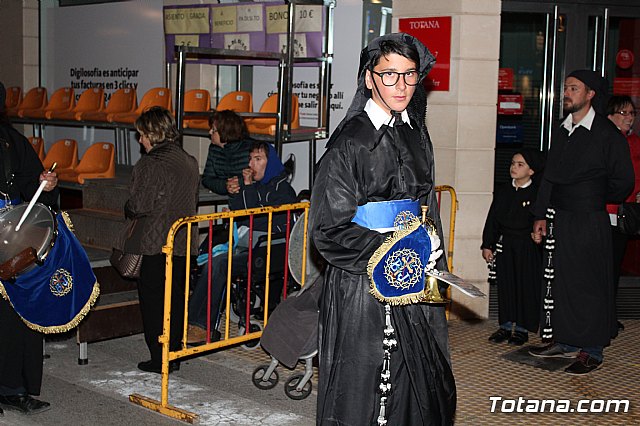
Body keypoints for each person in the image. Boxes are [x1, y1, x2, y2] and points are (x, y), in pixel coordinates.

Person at [309, 34, 456, 425]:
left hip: (414, 277)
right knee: (365, 383)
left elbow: (428, 206)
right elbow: (328, 229)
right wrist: (394, 252)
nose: (402, 86)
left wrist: (432, 252)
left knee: (416, 381)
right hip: (362, 285)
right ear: (370, 78)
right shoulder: (349, 142)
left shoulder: (416, 132)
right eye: (390, 75)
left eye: (410, 75)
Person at [529, 70, 634, 375]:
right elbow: (549, 176)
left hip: (589, 218)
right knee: (561, 280)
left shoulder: (606, 134)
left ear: (590, 95)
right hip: (560, 217)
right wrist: (539, 215)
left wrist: (592, 195)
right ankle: (564, 339)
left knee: (589, 283)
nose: (567, 93)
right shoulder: (562, 130)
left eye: (574, 88)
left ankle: (591, 348)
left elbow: (624, 181)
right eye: (566, 88)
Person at [187, 141, 296, 344]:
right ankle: (193, 321)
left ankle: (203, 326)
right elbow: (242, 213)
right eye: (250, 159)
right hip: (247, 246)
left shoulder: (284, 191)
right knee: (209, 255)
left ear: (270, 163)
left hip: (268, 251)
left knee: (220, 263)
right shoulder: (253, 186)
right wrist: (237, 196)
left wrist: (247, 190)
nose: (251, 165)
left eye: (258, 159)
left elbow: (259, 219)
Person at [124, 106, 199, 374]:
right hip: (183, 241)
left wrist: (128, 207)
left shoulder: (150, 163)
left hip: (156, 243)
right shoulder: (188, 159)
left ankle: (159, 358)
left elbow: (140, 204)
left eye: (142, 135)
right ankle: (174, 353)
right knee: (176, 299)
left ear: (152, 133)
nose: (140, 140)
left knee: (154, 301)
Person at [0, 82, 58, 414]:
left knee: (16, 317)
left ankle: (13, 388)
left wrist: (45, 185)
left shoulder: (12, 141)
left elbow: (30, 185)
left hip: (11, 239)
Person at [482, 149, 545, 346]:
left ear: (531, 171)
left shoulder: (537, 193)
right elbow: (492, 219)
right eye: (512, 163)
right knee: (506, 285)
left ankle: (523, 328)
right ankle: (506, 325)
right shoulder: (503, 191)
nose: (514, 168)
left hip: (527, 246)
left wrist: (539, 236)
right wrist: (488, 244)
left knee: (525, 286)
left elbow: (542, 219)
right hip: (506, 244)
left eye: (520, 164)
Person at [605, 95, 640, 332]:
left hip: (625, 213)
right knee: (600, 267)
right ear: (610, 117)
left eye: (632, 113)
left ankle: (609, 315)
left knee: (614, 266)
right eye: (623, 113)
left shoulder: (636, 142)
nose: (629, 118)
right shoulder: (605, 141)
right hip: (603, 212)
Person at [201, 109, 253, 195]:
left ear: (225, 132)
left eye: (213, 130)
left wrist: (238, 184)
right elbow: (207, 179)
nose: (209, 132)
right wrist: (226, 186)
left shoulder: (252, 149)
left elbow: (257, 178)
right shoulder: (214, 148)